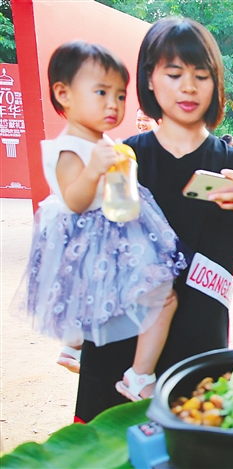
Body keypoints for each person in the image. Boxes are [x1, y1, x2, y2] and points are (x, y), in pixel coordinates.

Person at [73, 18, 233, 423]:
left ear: (216, 84)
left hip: (199, 350)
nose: (188, 87)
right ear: (150, 78)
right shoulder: (124, 158)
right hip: (117, 349)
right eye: (174, 73)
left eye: (202, 75)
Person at [11, 41, 183, 398]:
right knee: (160, 299)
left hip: (111, 235)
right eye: (102, 92)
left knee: (142, 298)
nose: (113, 104)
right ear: (64, 94)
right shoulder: (68, 148)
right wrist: (96, 169)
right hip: (94, 242)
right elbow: (74, 200)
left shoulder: (99, 143)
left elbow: (119, 198)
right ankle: (136, 374)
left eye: (120, 96)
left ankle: (77, 345)